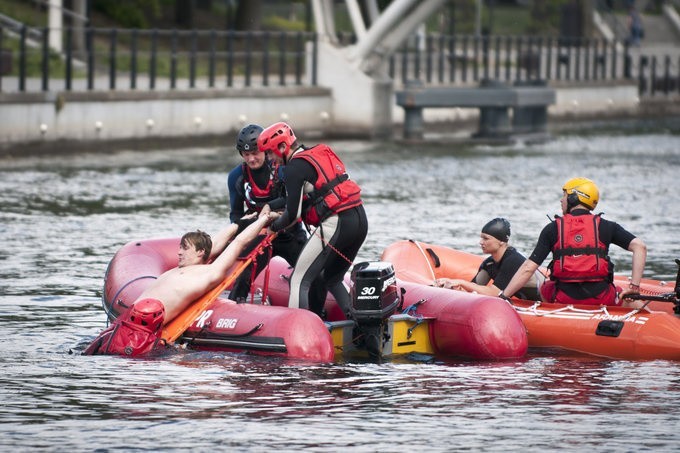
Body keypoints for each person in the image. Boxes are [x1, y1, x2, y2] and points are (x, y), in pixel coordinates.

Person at [84, 208, 277, 356]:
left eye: (185, 248)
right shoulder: (180, 269)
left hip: (136, 338)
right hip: (120, 326)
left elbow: (238, 243)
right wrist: (239, 223)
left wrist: (264, 220)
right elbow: (215, 244)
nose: (179, 252)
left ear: (200, 253)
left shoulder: (208, 274)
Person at [257, 122, 368, 317]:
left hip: (337, 223)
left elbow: (293, 215)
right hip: (359, 220)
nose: (270, 159)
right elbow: (308, 195)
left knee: (298, 280)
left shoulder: (293, 168)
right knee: (332, 279)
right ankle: (362, 329)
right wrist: (272, 205)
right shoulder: (315, 154)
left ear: (283, 147)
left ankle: (297, 333)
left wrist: (272, 228)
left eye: (270, 153)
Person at [501, 177, 647, 306]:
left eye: (564, 195)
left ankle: (555, 319)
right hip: (602, 297)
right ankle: (653, 321)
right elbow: (640, 247)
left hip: (562, 298)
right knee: (630, 299)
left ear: (574, 198)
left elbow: (528, 268)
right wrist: (634, 287)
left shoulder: (552, 229)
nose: (561, 200)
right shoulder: (607, 226)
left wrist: (504, 296)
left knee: (545, 288)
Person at [227, 123, 308, 302]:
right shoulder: (236, 177)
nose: (251, 159)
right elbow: (235, 214)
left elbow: (293, 200)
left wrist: (271, 208)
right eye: (246, 155)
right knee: (243, 277)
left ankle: (316, 313)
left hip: (289, 234)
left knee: (313, 275)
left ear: (265, 150)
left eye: (255, 153)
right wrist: (240, 236)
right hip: (259, 237)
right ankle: (234, 307)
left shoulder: (283, 169)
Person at [436, 218, 544, 300]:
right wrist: (450, 285)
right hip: (528, 303)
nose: (481, 242)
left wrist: (460, 282)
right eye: (481, 237)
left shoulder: (513, 260)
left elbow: (494, 292)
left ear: (501, 241)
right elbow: (473, 288)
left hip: (548, 303)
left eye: (486, 238)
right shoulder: (489, 264)